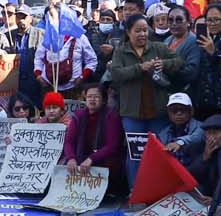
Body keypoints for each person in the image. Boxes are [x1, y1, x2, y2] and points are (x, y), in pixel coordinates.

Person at [107, 15, 182, 168]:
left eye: (145, 30)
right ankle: (134, 189)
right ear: (128, 32)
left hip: (158, 111)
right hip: (132, 112)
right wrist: (139, 68)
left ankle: (157, 189)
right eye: (137, 31)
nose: (142, 34)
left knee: (159, 152)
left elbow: (179, 61)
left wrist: (164, 63)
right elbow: (116, 74)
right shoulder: (121, 52)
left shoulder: (158, 47)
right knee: (135, 154)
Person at [62, 79, 125, 183]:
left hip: (103, 158)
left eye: (96, 97)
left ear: (104, 100)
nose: (92, 100)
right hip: (81, 156)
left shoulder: (111, 116)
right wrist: (71, 158)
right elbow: (69, 141)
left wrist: (91, 159)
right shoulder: (79, 115)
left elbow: (112, 146)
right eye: (89, 97)